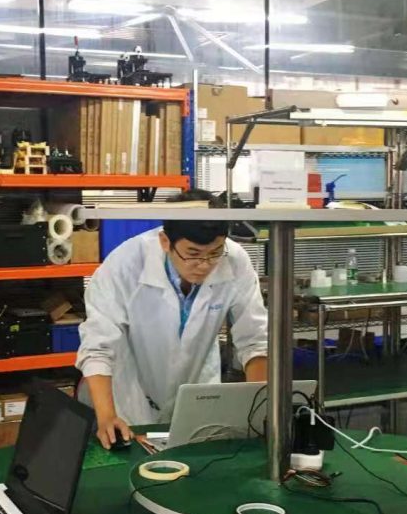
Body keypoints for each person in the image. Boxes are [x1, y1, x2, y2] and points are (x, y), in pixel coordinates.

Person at [76, 192, 268, 448]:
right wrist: (107, 416)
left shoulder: (234, 260)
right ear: (166, 241)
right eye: (193, 253)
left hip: (198, 395)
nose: (204, 264)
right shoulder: (125, 264)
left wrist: (260, 414)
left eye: (214, 253)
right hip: (131, 399)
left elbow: (255, 340)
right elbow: (98, 347)